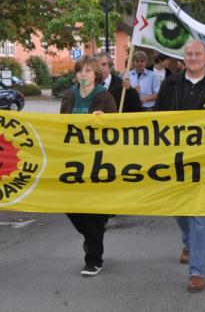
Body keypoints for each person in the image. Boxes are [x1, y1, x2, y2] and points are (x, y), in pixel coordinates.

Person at [155, 40, 205, 293]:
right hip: (176, 159)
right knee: (179, 209)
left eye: (197, 53)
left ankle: (197, 271)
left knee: (200, 213)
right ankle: (191, 242)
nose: (193, 57)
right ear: (183, 57)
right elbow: (154, 119)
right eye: (188, 54)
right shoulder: (171, 84)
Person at [60, 55, 117, 276]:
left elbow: (118, 128)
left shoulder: (104, 96)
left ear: (96, 75)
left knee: (93, 211)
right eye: (80, 70)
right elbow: (60, 126)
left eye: (88, 70)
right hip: (72, 161)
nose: (83, 74)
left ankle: (93, 259)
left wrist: (106, 120)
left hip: (97, 162)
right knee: (71, 206)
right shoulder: (68, 96)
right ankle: (92, 235)